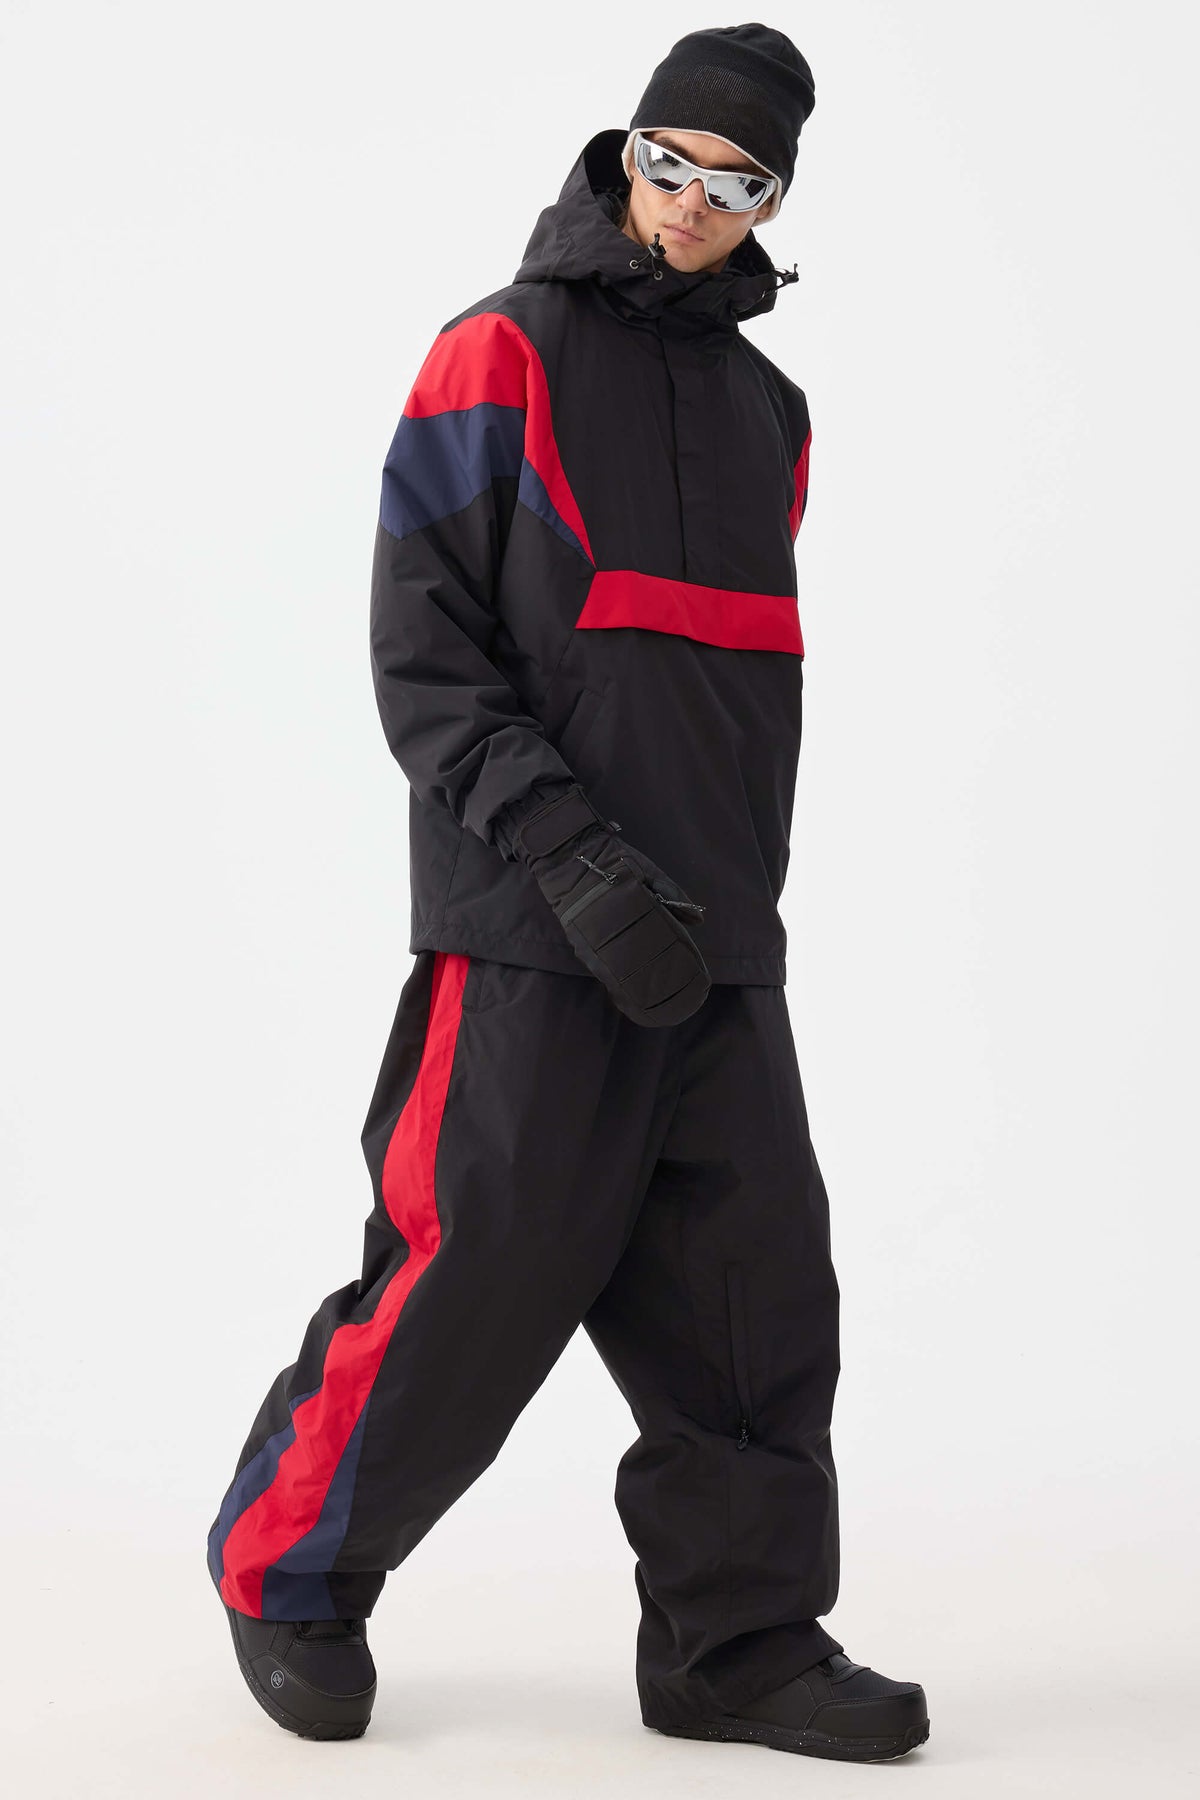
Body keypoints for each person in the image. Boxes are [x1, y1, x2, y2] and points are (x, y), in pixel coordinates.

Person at [205, 22, 930, 1764]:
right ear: (625, 154)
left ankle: (734, 1644)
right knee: (480, 1270)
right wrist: (568, 857)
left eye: (735, 182)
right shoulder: (499, 351)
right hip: (534, 927)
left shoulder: (772, 416)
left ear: (774, 203)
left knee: (755, 1301)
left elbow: (722, 689)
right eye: (669, 163)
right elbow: (427, 655)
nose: (691, 203)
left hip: (719, 940)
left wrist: (726, 906)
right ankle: (288, 1571)